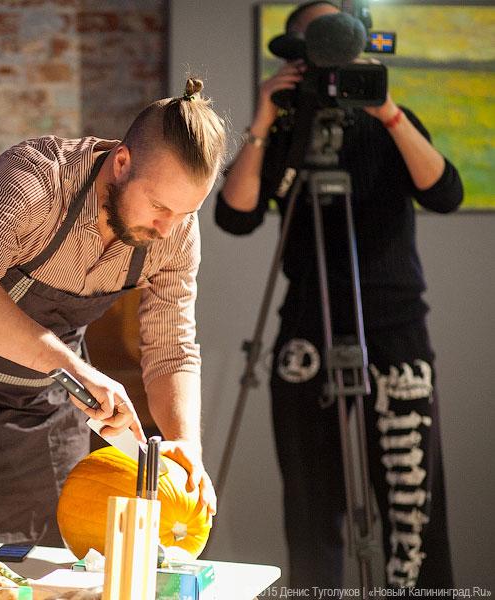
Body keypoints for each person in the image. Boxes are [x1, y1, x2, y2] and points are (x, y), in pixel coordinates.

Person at [0, 78, 226, 558]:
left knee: (55, 569)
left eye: (185, 212)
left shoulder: (174, 231)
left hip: (53, 407)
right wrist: (73, 367)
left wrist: (184, 444)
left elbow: (172, 348)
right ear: (121, 162)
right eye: (158, 207)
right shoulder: (37, 179)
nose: (166, 228)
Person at [216, 1, 461, 590]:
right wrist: (263, 120)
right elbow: (236, 216)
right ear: (294, 56)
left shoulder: (390, 121)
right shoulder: (285, 130)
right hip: (309, 324)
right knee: (310, 502)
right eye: (314, 46)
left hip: (393, 327)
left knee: (412, 510)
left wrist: (388, 111)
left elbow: (445, 192)